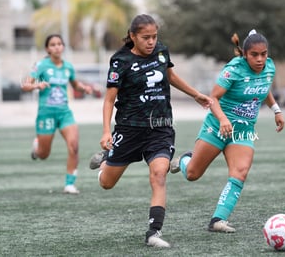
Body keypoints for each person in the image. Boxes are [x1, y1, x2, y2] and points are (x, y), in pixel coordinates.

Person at [88, 14, 212, 248]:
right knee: (106, 183)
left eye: (154, 37)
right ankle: (107, 159)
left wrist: (195, 94)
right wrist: (106, 132)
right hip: (129, 128)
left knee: (159, 174)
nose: (151, 42)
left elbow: (170, 75)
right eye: (146, 37)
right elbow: (108, 100)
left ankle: (154, 232)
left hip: (160, 127)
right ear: (133, 36)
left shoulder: (162, 52)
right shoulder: (120, 60)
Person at [170, 30, 285, 233]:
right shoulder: (233, 69)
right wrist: (223, 119)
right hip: (217, 127)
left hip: (243, 131)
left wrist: (276, 110)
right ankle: (183, 160)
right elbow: (212, 98)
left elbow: (263, 87)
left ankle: (218, 220)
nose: (260, 59)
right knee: (193, 174)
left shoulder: (269, 67)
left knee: (240, 172)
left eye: (264, 54)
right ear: (245, 54)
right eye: (254, 55)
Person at [21, 34, 93, 195]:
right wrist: (37, 85)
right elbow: (25, 85)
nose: (57, 47)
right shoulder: (40, 66)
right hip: (46, 114)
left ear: (63, 47)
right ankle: (37, 147)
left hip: (64, 113)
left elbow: (75, 84)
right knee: (43, 154)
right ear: (47, 49)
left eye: (59, 44)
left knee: (74, 147)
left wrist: (85, 88)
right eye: (53, 44)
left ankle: (69, 184)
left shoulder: (68, 67)